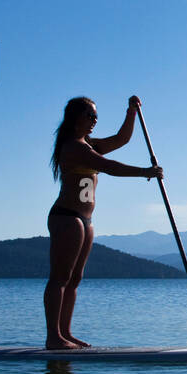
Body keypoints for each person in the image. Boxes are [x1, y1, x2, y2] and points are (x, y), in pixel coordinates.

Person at [45, 95, 163, 349]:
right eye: (90, 115)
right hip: (67, 217)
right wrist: (145, 172)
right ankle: (53, 337)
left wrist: (131, 112)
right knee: (60, 278)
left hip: (86, 220)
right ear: (75, 117)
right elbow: (109, 167)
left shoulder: (89, 144)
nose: (95, 121)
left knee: (75, 278)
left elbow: (122, 139)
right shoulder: (74, 146)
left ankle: (65, 333)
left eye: (96, 116)